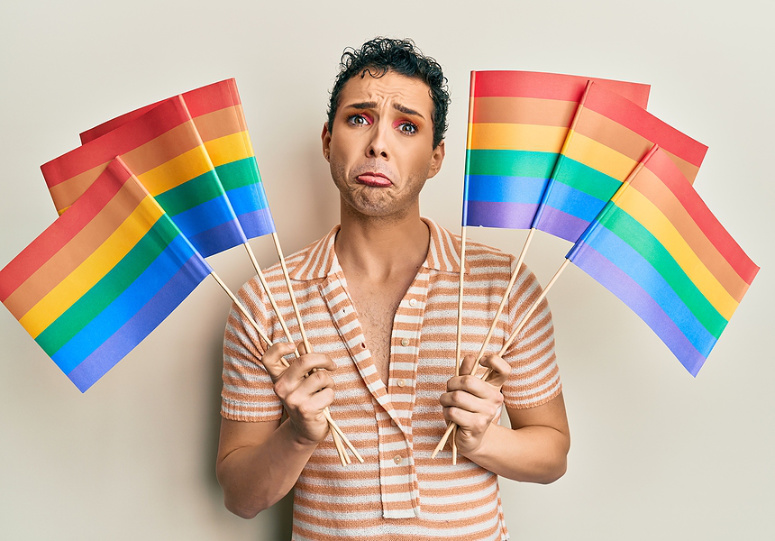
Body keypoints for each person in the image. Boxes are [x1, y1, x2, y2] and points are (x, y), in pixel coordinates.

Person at [216, 37, 570, 540]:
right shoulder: (264, 302)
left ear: (435, 157)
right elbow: (239, 497)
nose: (379, 143)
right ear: (326, 140)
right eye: (359, 118)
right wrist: (297, 436)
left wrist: (483, 440)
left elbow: (552, 454)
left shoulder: (506, 287)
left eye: (407, 126)